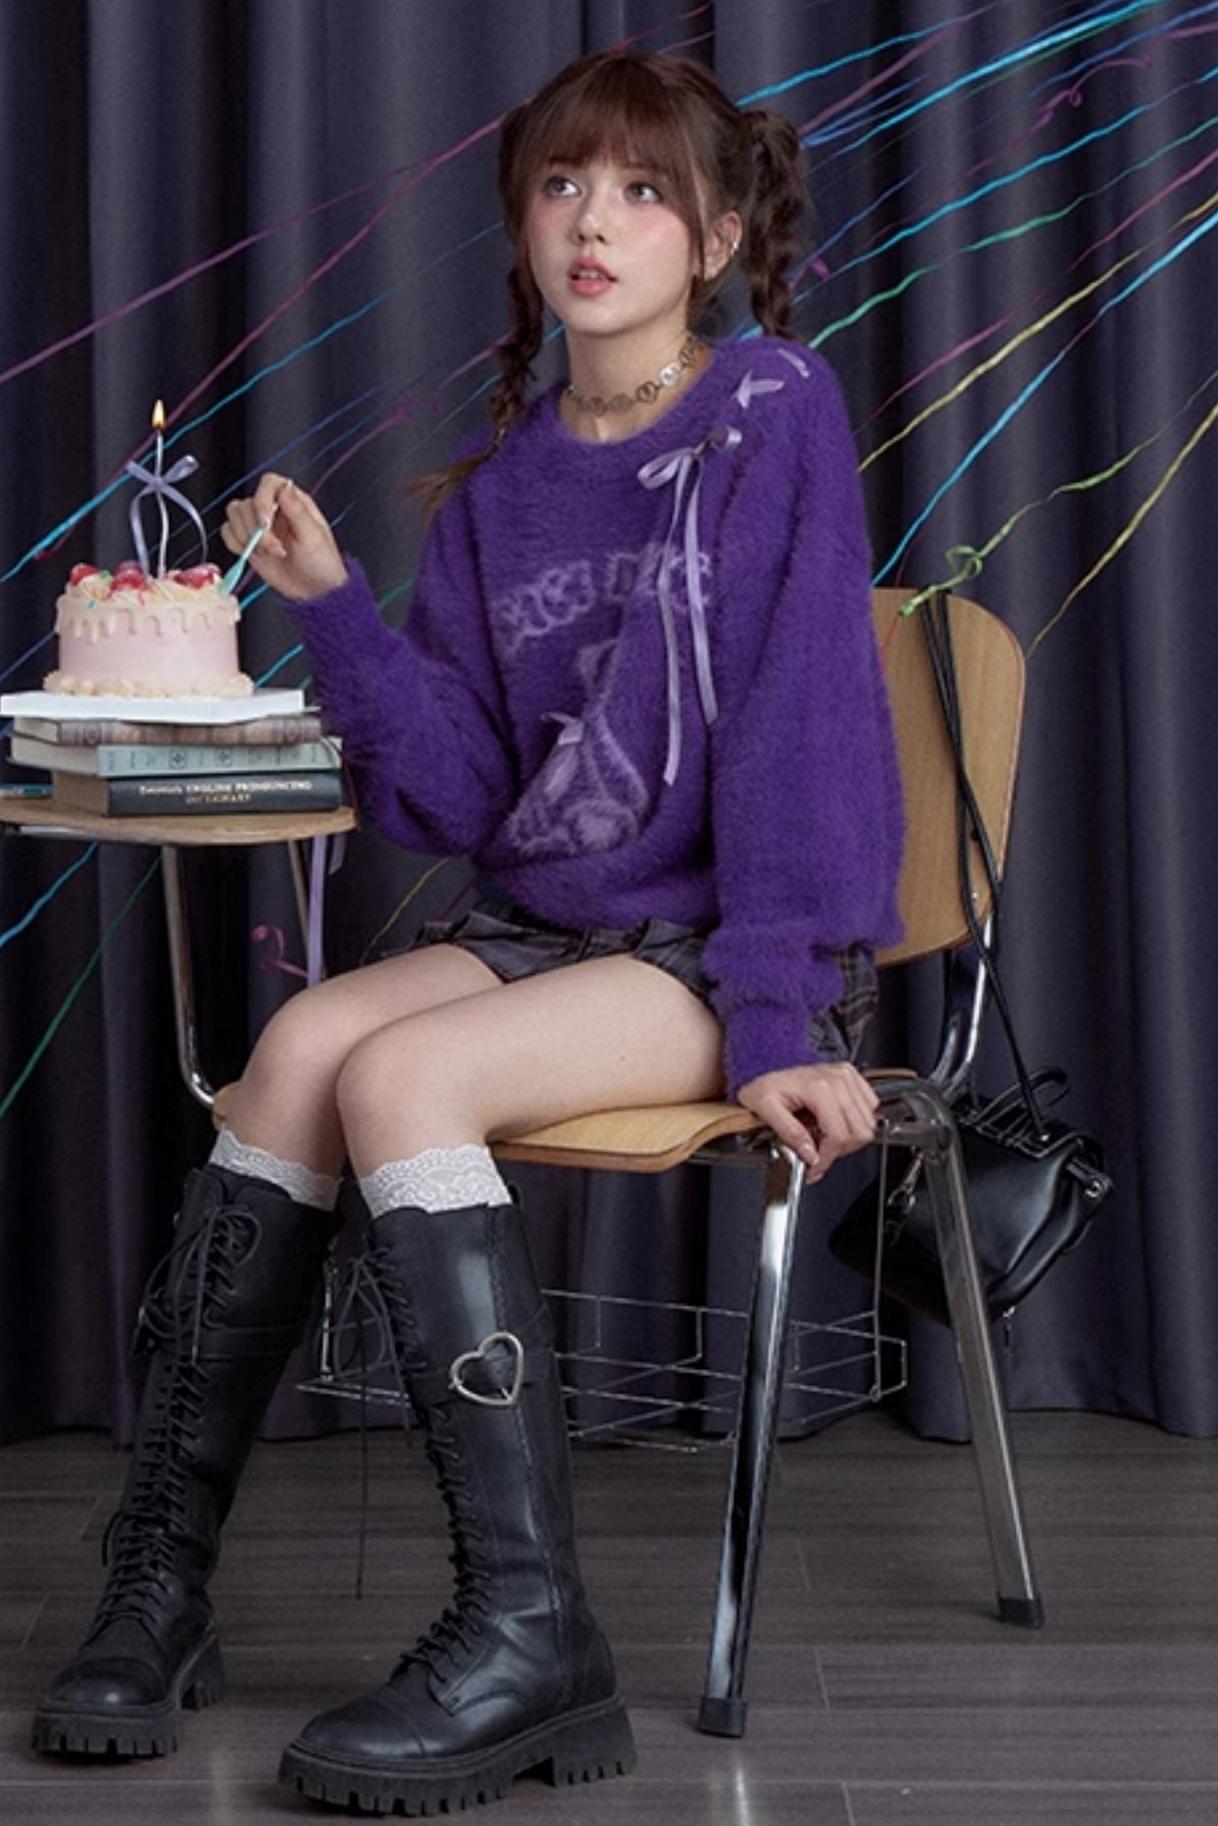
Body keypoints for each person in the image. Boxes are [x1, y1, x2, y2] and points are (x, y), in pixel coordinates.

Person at [32, 45, 904, 1816]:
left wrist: (775, 1015)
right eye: (562, 186)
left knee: (402, 1079)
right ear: (521, 226)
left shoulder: (769, 406)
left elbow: (802, 718)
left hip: (721, 949)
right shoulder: (503, 495)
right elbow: (459, 803)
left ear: (713, 240)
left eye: (643, 191)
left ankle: (530, 1629)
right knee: (294, 1049)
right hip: (547, 927)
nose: (594, 222)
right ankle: (161, 1578)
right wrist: (338, 610)